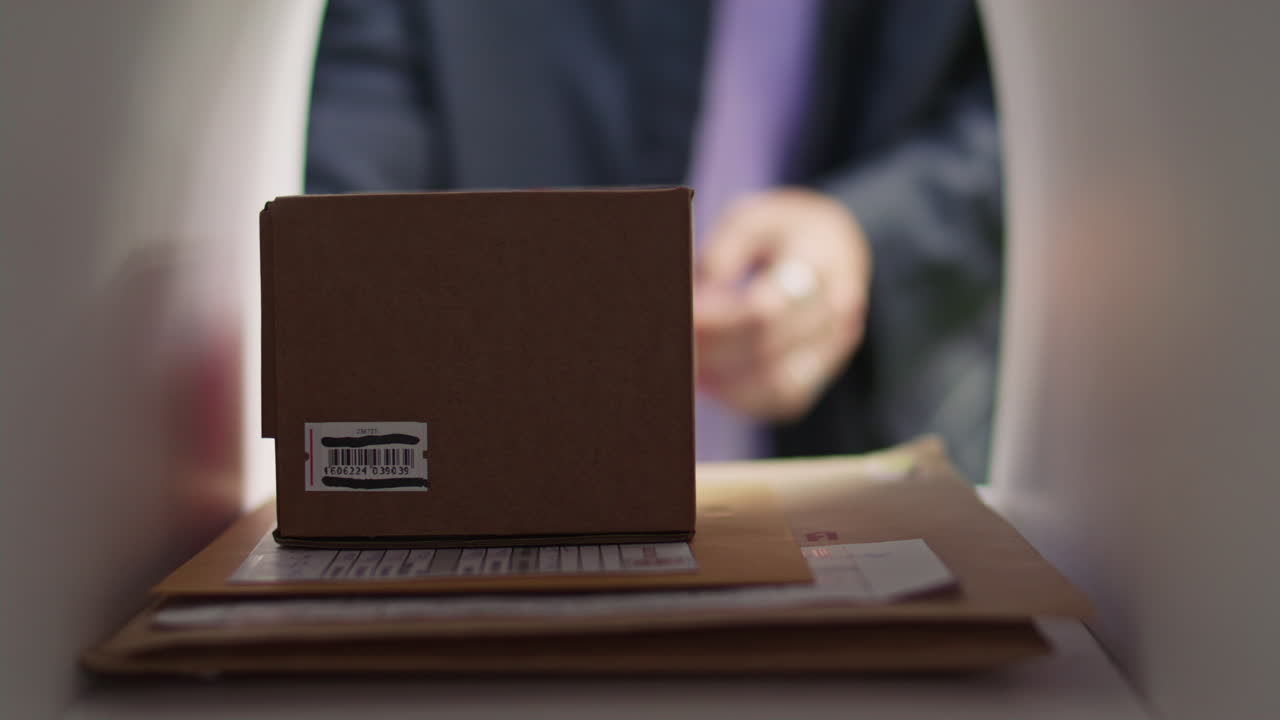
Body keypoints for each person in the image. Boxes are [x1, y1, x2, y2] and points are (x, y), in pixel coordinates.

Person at [306, 0, 1003, 482]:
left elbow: (1034, 123)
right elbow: (351, 157)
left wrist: (868, 233)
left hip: (857, 451)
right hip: (500, 497)